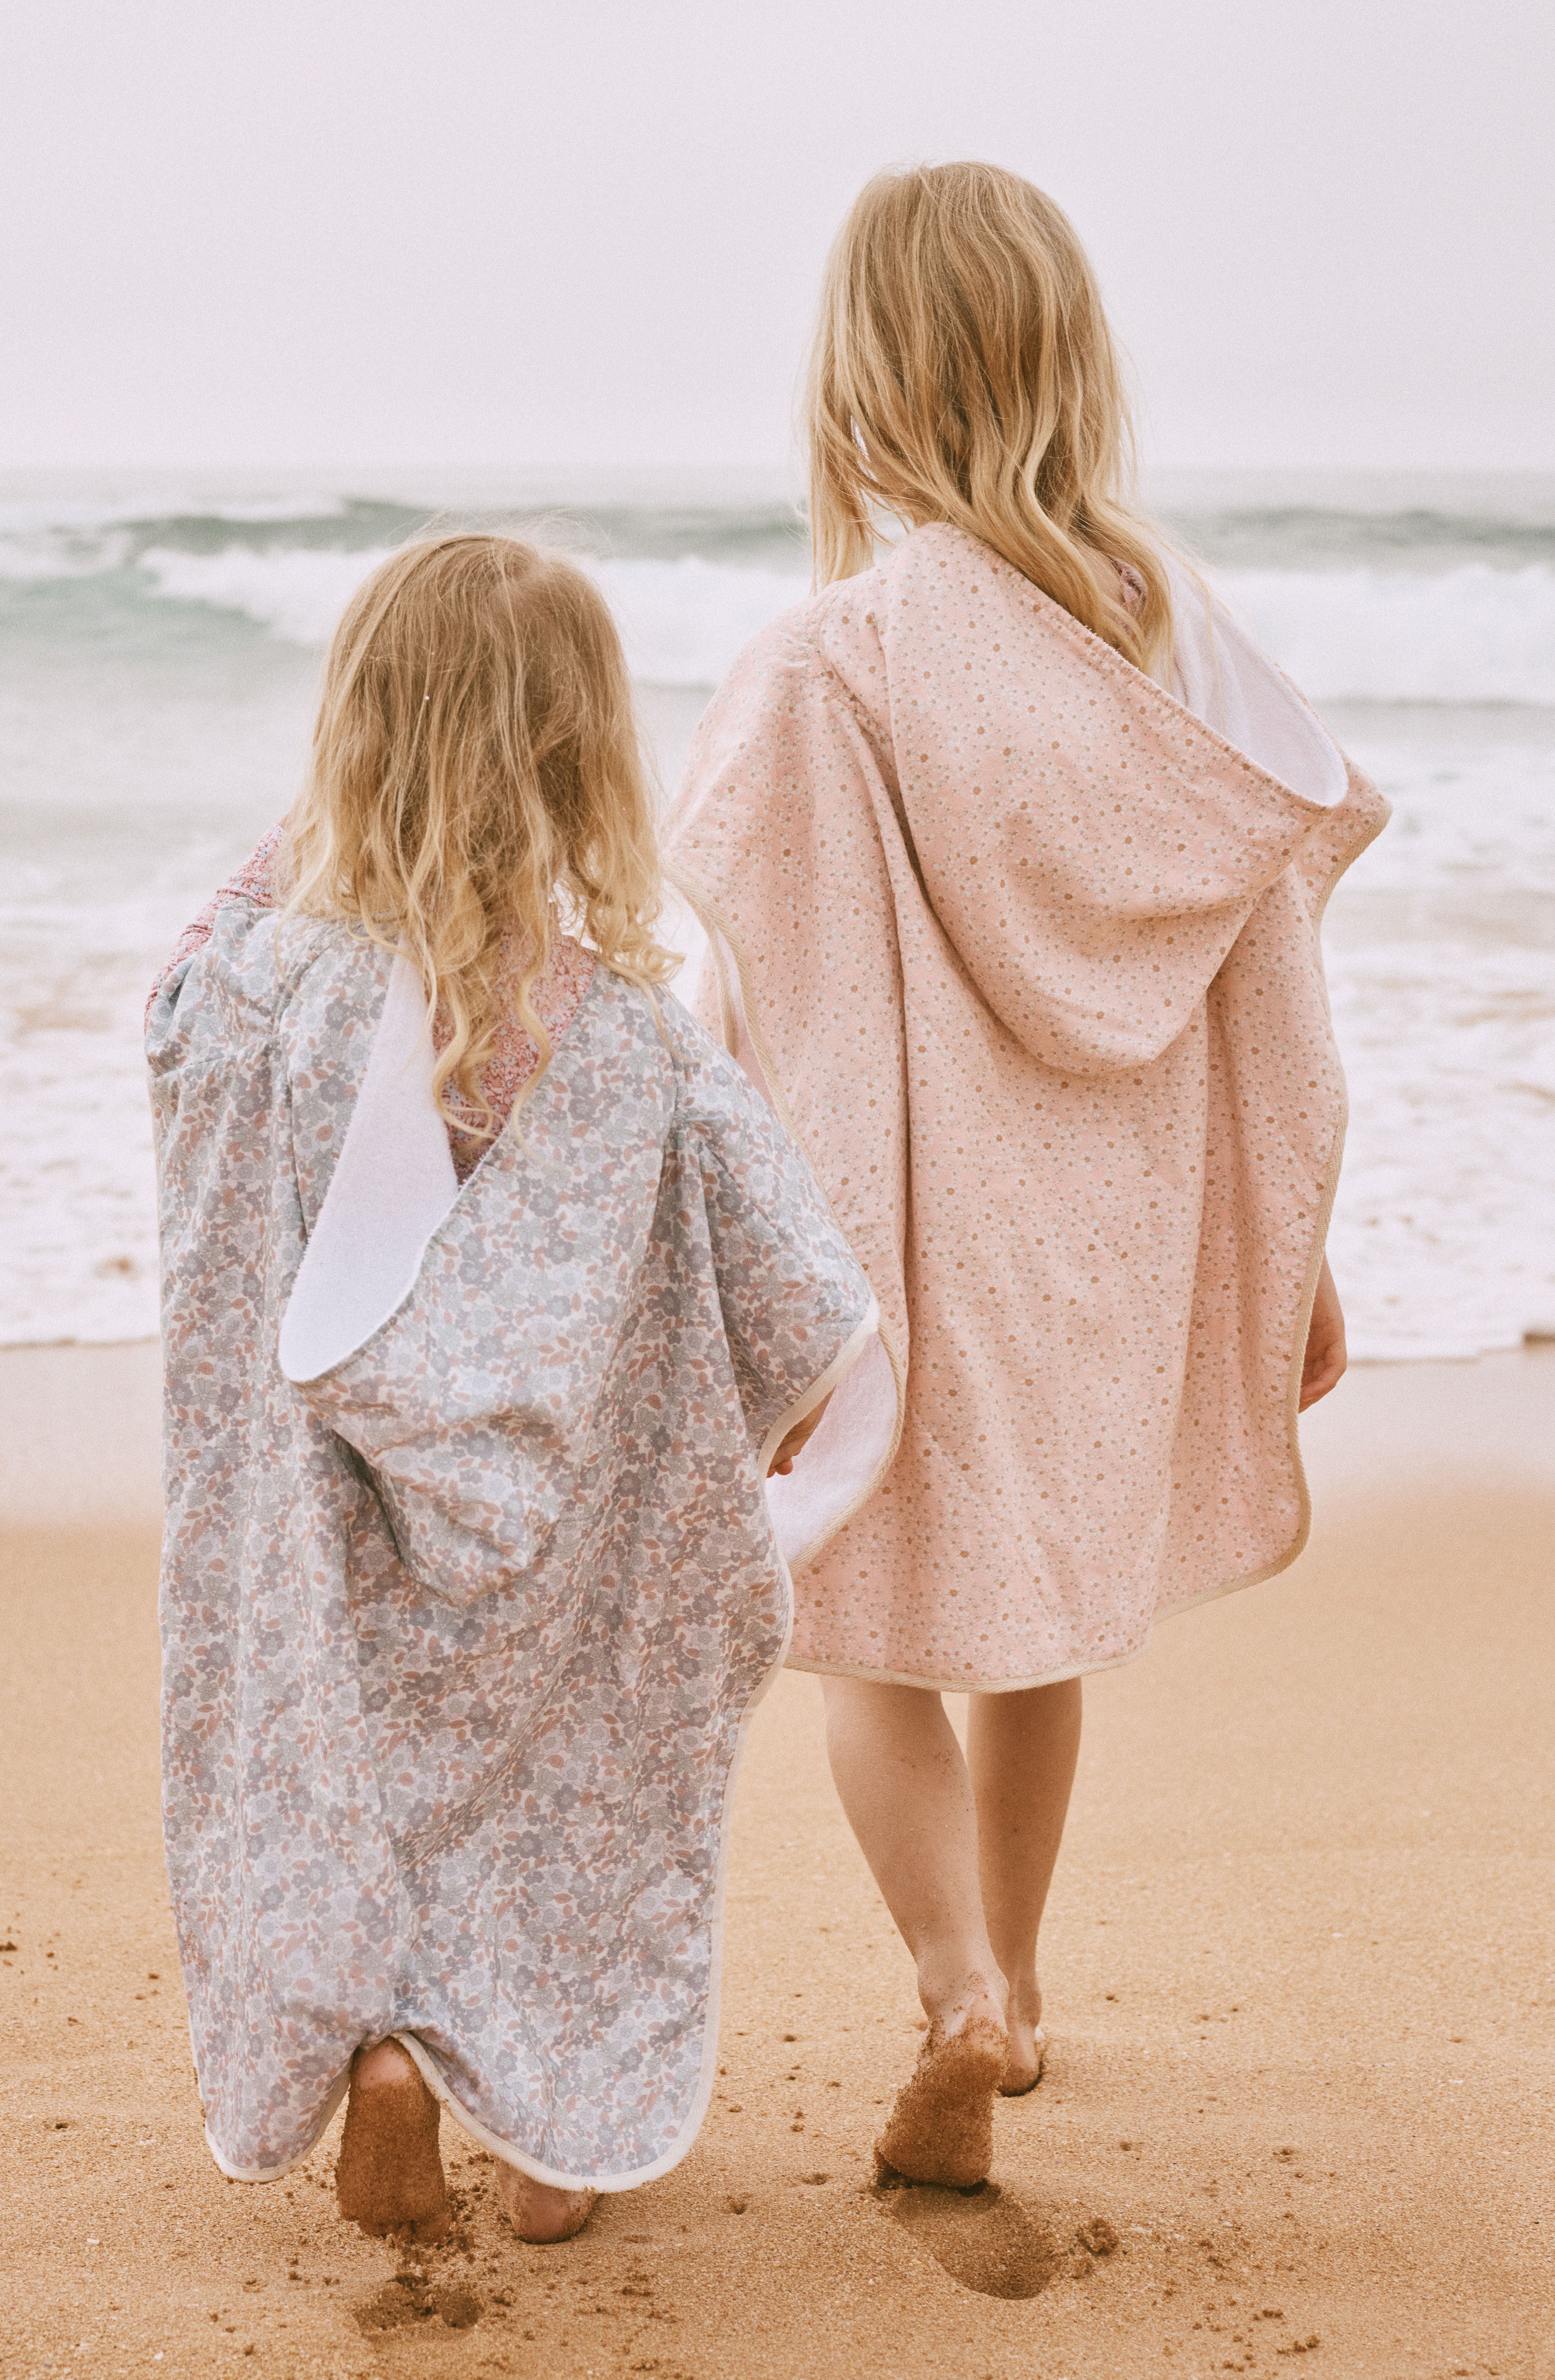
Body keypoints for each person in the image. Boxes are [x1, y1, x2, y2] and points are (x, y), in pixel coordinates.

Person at [666, 162, 1389, 2191]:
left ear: (858, 383)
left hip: (904, 1227)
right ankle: (1035, 1984)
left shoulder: (833, 662)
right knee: (1039, 1624)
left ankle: (958, 1982)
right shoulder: (1180, 649)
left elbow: (764, 991)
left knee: (878, 1631)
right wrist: (1289, 1251)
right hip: (1119, 1234)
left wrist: (749, 1266)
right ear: (1071, 360)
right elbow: (1274, 983)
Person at [145, 535, 877, 2246]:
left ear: (355, 737)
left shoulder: (256, 994)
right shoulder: (623, 1037)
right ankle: (563, 2137)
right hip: (548, 1552)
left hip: (325, 1530)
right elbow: (799, 1289)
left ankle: (381, 2054)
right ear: (584, 761)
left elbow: (169, 1016)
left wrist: (316, 830)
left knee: (339, 1785)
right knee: (577, 1791)